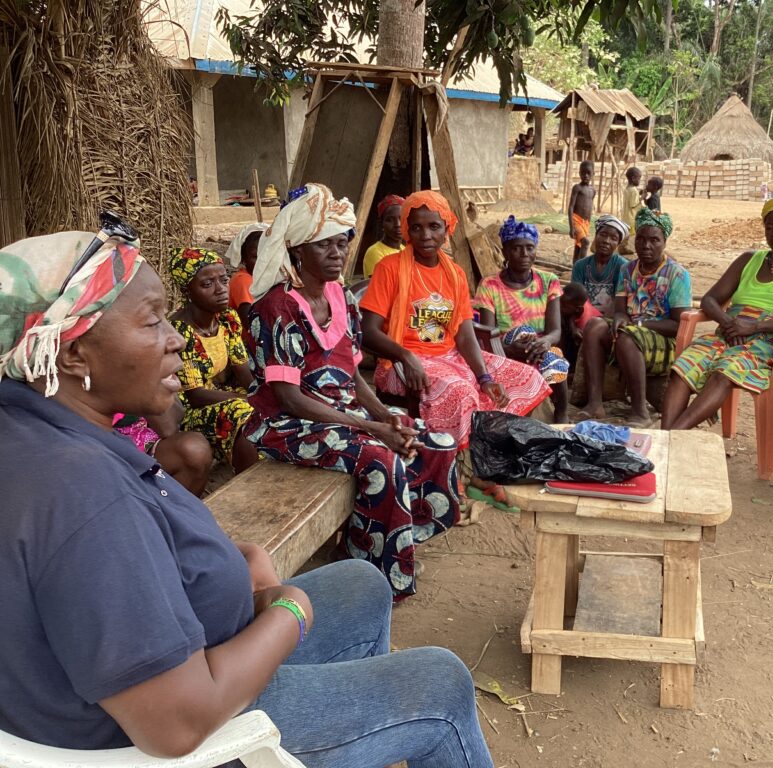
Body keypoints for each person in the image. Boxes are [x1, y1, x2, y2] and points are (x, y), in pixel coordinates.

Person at [0, 230, 493, 767]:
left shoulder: (36, 431)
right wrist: (288, 612)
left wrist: (233, 560)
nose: (176, 339)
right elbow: (176, 723)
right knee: (440, 684)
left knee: (362, 583)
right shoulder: (86, 499)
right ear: (72, 353)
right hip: (203, 723)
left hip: (195, 645)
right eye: (152, 320)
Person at [245, 184, 459, 599]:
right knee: (383, 459)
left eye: (341, 244)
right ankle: (374, 574)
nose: (337, 253)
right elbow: (288, 398)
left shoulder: (339, 296)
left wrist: (384, 415)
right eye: (323, 245)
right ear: (296, 252)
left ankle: (378, 541)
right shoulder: (276, 308)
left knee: (438, 442)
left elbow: (351, 374)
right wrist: (372, 428)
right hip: (287, 426)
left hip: (342, 416)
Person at [360, 191, 550, 449]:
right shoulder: (390, 268)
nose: (425, 235)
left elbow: (464, 333)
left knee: (527, 377)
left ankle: (489, 449)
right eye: (416, 227)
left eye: (434, 226)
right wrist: (406, 356)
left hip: (450, 357)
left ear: (447, 227)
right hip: (400, 364)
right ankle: (458, 464)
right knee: (460, 391)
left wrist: (484, 377)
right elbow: (368, 331)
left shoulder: (455, 274)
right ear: (406, 230)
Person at [661, 196, 773, 430]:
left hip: (771, 343)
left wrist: (754, 327)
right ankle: (667, 436)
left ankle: (673, 437)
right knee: (683, 367)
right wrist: (729, 322)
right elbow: (710, 300)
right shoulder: (749, 259)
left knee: (726, 370)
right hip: (729, 333)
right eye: (770, 227)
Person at [579, 208, 691, 427]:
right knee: (594, 326)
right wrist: (620, 318)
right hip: (629, 333)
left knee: (627, 336)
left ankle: (640, 411)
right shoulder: (628, 269)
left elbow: (678, 325)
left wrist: (638, 324)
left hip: (663, 340)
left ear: (664, 242)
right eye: (641, 239)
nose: (646, 246)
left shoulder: (677, 274)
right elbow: (620, 309)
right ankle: (595, 403)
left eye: (654, 240)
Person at [168, 247, 259, 473]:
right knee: (241, 410)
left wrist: (259, 394)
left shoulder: (227, 319)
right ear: (187, 290)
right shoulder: (180, 331)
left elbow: (243, 370)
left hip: (224, 393)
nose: (221, 290)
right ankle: (250, 479)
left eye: (223, 280)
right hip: (190, 411)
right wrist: (248, 399)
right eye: (207, 284)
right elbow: (195, 395)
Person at [475, 216, 570, 422]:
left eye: (530, 247)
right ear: (506, 251)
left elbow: (555, 331)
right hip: (504, 348)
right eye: (517, 248)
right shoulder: (490, 285)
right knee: (523, 332)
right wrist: (510, 349)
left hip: (538, 346)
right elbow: (487, 335)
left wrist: (543, 342)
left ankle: (561, 412)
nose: (525, 254)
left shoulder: (548, 281)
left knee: (553, 356)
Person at [113, 399, 212, 497]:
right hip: (110, 454)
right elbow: (167, 429)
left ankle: (179, 510)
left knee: (195, 451)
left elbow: (175, 419)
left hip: (145, 443)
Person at [571, 214, 629, 317]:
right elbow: (575, 300)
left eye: (613, 238)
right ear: (596, 235)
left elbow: (619, 303)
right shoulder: (580, 266)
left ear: (618, 243)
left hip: (610, 320)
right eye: (603, 234)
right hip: (581, 317)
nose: (606, 241)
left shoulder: (623, 266)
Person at [225, 222, 269, 321]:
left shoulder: (270, 279)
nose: (262, 261)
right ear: (244, 259)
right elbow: (251, 322)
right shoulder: (243, 281)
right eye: (255, 257)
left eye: (266, 254)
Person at [559, 281, 602, 373]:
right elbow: (570, 314)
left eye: (562, 305)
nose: (558, 306)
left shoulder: (586, 323)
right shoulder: (576, 303)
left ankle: (568, 368)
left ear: (578, 309)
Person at [362, 194, 404, 277]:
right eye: (390, 220)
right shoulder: (375, 252)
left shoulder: (405, 250)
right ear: (381, 224)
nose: (398, 224)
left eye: (401, 218)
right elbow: (380, 285)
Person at [568, 160, 596, 263]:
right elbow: (571, 207)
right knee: (586, 243)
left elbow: (590, 206)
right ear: (579, 173)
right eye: (583, 173)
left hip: (586, 223)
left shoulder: (593, 190)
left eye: (588, 173)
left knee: (579, 245)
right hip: (576, 220)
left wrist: (589, 221)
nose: (586, 175)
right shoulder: (577, 188)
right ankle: (581, 268)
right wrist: (571, 227)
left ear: (593, 174)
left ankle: (575, 265)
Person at [621, 167, 643, 254]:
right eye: (639, 178)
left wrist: (639, 196)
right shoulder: (634, 190)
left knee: (626, 237)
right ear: (633, 178)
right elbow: (633, 205)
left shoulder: (627, 188)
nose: (639, 180)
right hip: (632, 219)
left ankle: (624, 250)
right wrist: (642, 198)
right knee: (632, 238)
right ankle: (629, 251)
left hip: (625, 217)